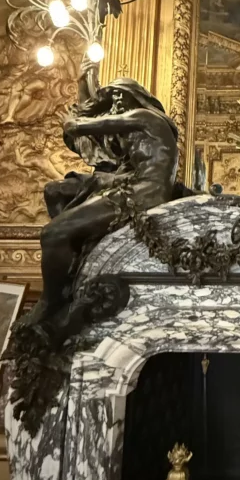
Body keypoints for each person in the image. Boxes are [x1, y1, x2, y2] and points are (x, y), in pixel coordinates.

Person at [28, 75, 180, 329]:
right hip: (132, 184)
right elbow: (101, 142)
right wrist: (83, 86)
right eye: (113, 96)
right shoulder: (132, 131)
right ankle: (75, 260)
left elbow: (84, 126)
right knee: (57, 192)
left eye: (121, 95)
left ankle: (50, 302)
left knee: (53, 233)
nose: (116, 100)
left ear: (138, 97)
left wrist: (74, 118)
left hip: (143, 193)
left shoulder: (144, 117)